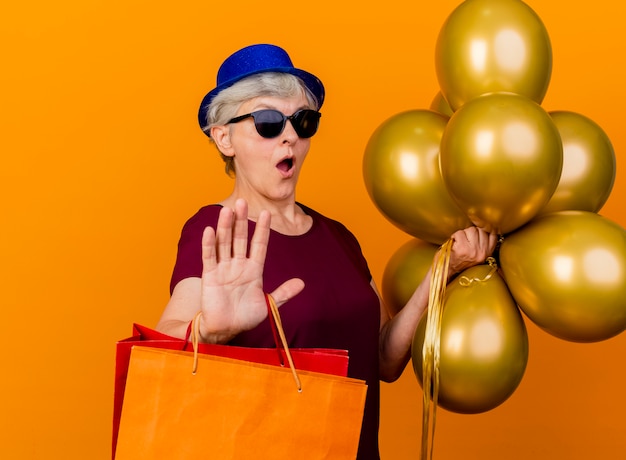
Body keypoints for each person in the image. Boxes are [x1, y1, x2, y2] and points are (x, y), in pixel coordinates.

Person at [156, 43, 497, 460]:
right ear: (223, 137)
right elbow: (168, 338)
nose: (289, 136)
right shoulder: (215, 229)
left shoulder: (337, 237)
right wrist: (208, 331)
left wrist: (444, 268)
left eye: (303, 121)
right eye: (267, 122)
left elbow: (384, 360)